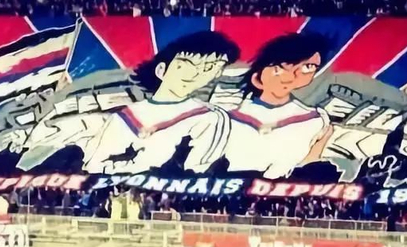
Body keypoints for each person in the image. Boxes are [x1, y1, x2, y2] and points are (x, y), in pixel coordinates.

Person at [84, 31, 240, 174]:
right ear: (161, 70)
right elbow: (94, 165)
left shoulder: (209, 117)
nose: (195, 74)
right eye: (184, 65)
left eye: (209, 68)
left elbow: (200, 171)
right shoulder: (124, 117)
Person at [224, 33, 333, 178]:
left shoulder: (315, 120)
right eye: (281, 67)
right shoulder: (225, 115)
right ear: (261, 70)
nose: (292, 76)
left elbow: (309, 165)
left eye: (308, 67)